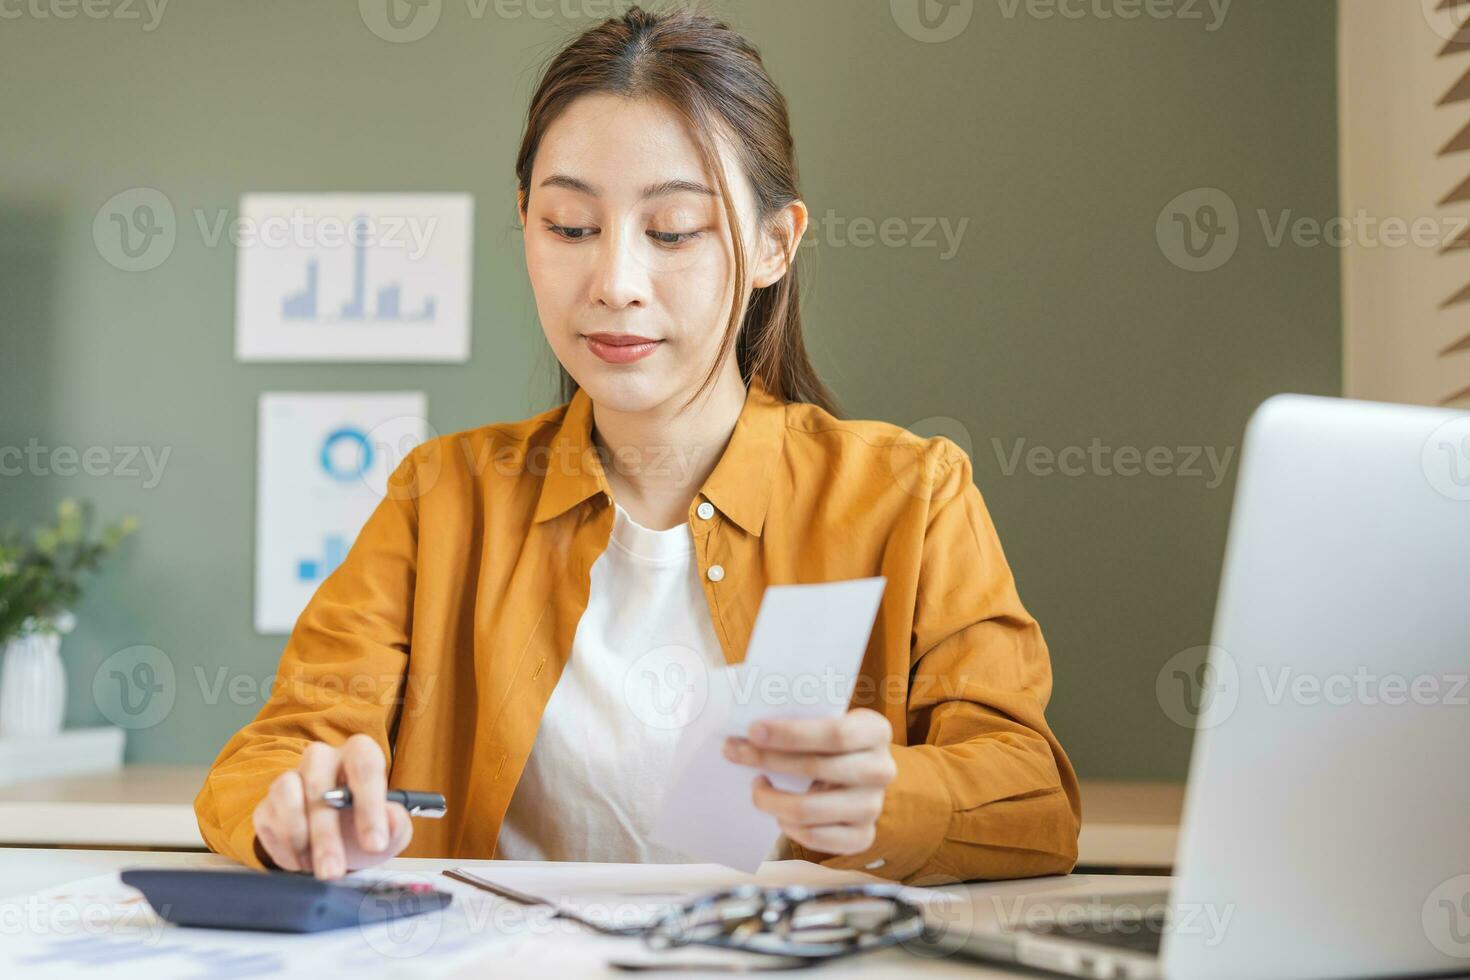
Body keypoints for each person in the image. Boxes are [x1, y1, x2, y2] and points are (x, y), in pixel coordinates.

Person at [196, 6, 1080, 885]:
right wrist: (292, 814)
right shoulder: (443, 496)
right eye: (570, 228)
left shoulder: (909, 495)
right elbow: (273, 756)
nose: (614, 283)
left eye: (673, 232)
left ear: (776, 243)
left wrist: (892, 796)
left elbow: (1033, 799)